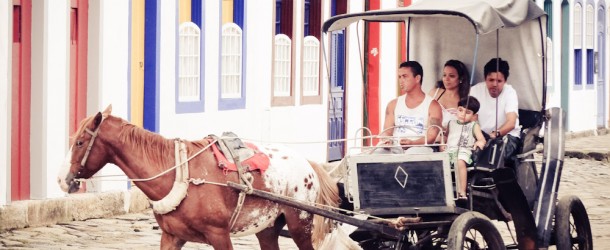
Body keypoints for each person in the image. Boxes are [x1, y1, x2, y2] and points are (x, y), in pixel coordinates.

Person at [381, 61, 443, 153]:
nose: (401, 81)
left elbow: (431, 136)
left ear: (417, 78)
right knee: (377, 152)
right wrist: (386, 140)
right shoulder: (393, 104)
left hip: (420, 148)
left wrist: (413, 143)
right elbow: (387, 131)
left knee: (412, 153)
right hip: (395, 147)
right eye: (399, 77)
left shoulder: (433, 106)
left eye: (405, 76)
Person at [470, 58, 521, 165]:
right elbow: (473, 120)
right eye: (491, 80)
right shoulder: (475, 90)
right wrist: (480, 137)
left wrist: (495, 134)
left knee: (494, 157)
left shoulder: (510, 92)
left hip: (506, 135)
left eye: (499, 81)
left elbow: (511, 123)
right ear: (485, 78)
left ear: (505, 81)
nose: (494, 84)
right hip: (481, 134)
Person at [443, 96, 486, 199]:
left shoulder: (473, 125)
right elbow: (445, 136)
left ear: (474, 115)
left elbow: (482, 139)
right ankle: (442, 191)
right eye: (460, 110)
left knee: (460, 161)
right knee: (440, 162)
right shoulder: (451, 123)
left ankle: (461, 191)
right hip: (450, 150)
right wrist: (442, 143)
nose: (462, 114)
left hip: (464, 151)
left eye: (467, 112)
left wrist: (479, 143)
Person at [428, 59, 471, 130]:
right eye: (444, 75)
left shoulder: (466, 98)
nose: (446, 79)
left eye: (451, 76)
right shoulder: (434, 93)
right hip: (430, 137)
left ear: (461, 78)